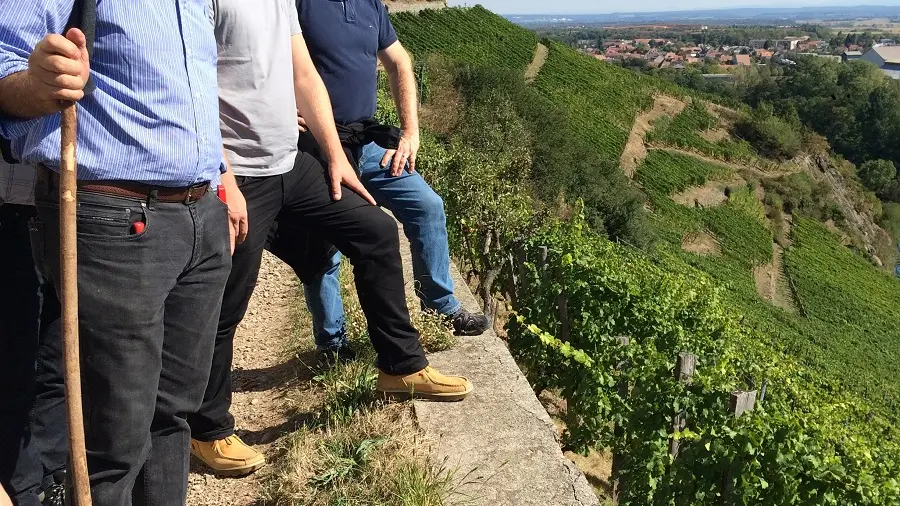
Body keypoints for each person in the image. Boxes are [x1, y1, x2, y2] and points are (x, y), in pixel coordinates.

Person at [187, 0, 473, 478]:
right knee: (228, 297)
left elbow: (305, 76)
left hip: (291, 163)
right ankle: (207, 428)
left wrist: (336, 156)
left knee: (376, 232)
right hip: (241, 174)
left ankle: (400, 367)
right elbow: (191, 86)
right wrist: (223, 175)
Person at [0, 2, 246, 504]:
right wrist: (37, 83)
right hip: (115, 218)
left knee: (173, 415)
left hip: (201, 212)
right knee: (116, 437)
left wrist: (223, 178)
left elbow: (191, 91)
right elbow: (6, 64)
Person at [292, 0, 489, 360]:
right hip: (317, 147)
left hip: (366, 143)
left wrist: (410, 132)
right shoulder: (295, 3)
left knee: (427, 206)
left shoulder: (370, 5)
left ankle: (440, 307)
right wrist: (279, 111)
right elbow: (259, 59)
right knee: (324, 243)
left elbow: (400, 62)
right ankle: (332, 343)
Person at [0, 147, 67, 506]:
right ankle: (22, 487)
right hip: (9, 211)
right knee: (15, 367)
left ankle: (54, 474)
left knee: (56, 362)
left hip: (65, 214)